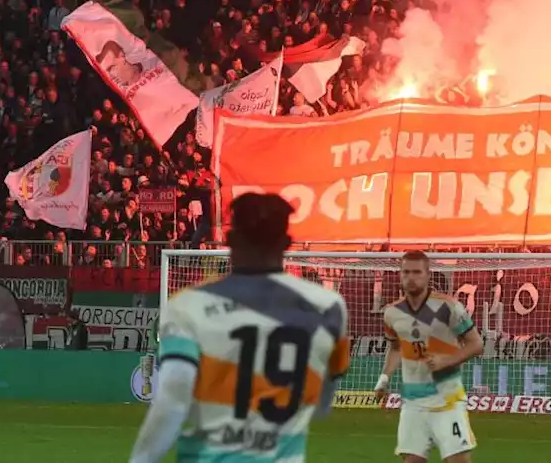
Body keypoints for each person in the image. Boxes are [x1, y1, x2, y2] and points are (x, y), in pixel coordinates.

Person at [127, 193, 350, 463]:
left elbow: (173, 399)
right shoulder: (327, 306)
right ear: (287, 243)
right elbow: (322, 406)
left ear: (230, 241)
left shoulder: (188, 305)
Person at [374, 250, 484, 463]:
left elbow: (476, 343)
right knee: (412, 461)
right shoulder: (391, 313)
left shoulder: (448, 307)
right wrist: (384, 378)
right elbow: (397, 347)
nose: (410, 277)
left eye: (416, 272)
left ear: (428, 275)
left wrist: (448, 360)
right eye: (406, 272)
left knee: (458, 461)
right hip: (413, 401)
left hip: (447, 399)